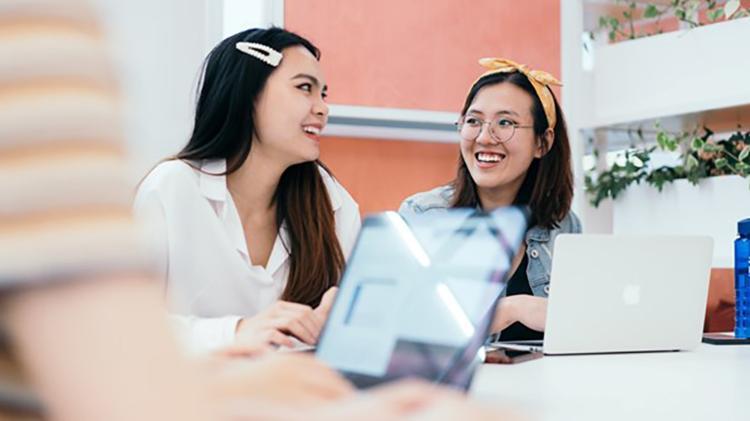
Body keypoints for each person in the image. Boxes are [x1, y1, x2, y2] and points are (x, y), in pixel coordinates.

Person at [134, 27, 361, 354]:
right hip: (191, 399)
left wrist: (341, 323)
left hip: (297, 399)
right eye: (304, 88)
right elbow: (129, 328)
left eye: (323, 94)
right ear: (248, 92)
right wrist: (237, 331)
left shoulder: (331, 201)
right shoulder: (171, 188)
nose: (323, 108)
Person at [400, 58, 581, 341]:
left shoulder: (564, 226)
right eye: (473, 121)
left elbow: (579, 329)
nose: (484, 137)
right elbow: (405, 325)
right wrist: (511, 308)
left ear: (542, 142)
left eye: (505, 122)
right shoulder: (424, 215)